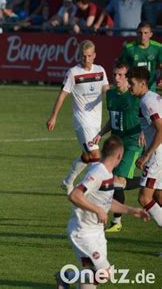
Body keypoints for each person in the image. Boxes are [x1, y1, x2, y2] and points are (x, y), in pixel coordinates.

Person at [56, 135, 150, 289]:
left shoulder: (107, 174)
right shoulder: (97, 173)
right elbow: (75, 195)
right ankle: (67, 276)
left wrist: (132, 210)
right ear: (120, 155)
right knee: (105, 273)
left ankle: (67, 277)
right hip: (83, 232)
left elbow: (106, 203)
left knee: (91, 280)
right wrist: (97, 210)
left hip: (97, 233)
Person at [47, 40, 109, 194]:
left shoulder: (100, 70)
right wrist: (53, 117)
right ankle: (89, 191)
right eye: (83, 56)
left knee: (87, 156)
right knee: (95, 155)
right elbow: (62, 95)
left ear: (94, 55)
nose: (86, 59)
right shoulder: (73, 72)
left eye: (88, 56)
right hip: (81, 120)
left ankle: (67, 182)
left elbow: (107, 91)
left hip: (96, 121)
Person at [92, 63, 143, 232]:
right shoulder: (111, 94)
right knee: (115, 181)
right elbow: (113, 118)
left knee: (117, 181)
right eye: (115, 74)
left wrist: (144, 131)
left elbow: (150, 115)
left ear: (128, 78)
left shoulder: (136, 96)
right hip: (117, 143)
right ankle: (149, 181)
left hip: (133, 143)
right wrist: (101, 132)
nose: (117, 78)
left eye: (121, 75)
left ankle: (117, 222)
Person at [128, 66, 162, 228]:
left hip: (156, 155)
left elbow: (161, 129)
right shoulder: (153, 97)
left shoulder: (147, 101)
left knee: (144, 198)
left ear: (142, 83)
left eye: (132, 83)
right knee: (159, 196)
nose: (129, 86)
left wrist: (146, 155)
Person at [118, 21, 162, 92]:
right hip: (134, 86)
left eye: (145, 33)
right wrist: (124, 81)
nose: (143, 36)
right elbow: (121, 66)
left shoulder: (158, 47)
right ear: (136, 33)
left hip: (150, 86)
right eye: (140, 33)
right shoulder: (129, 48)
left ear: (151, 34)